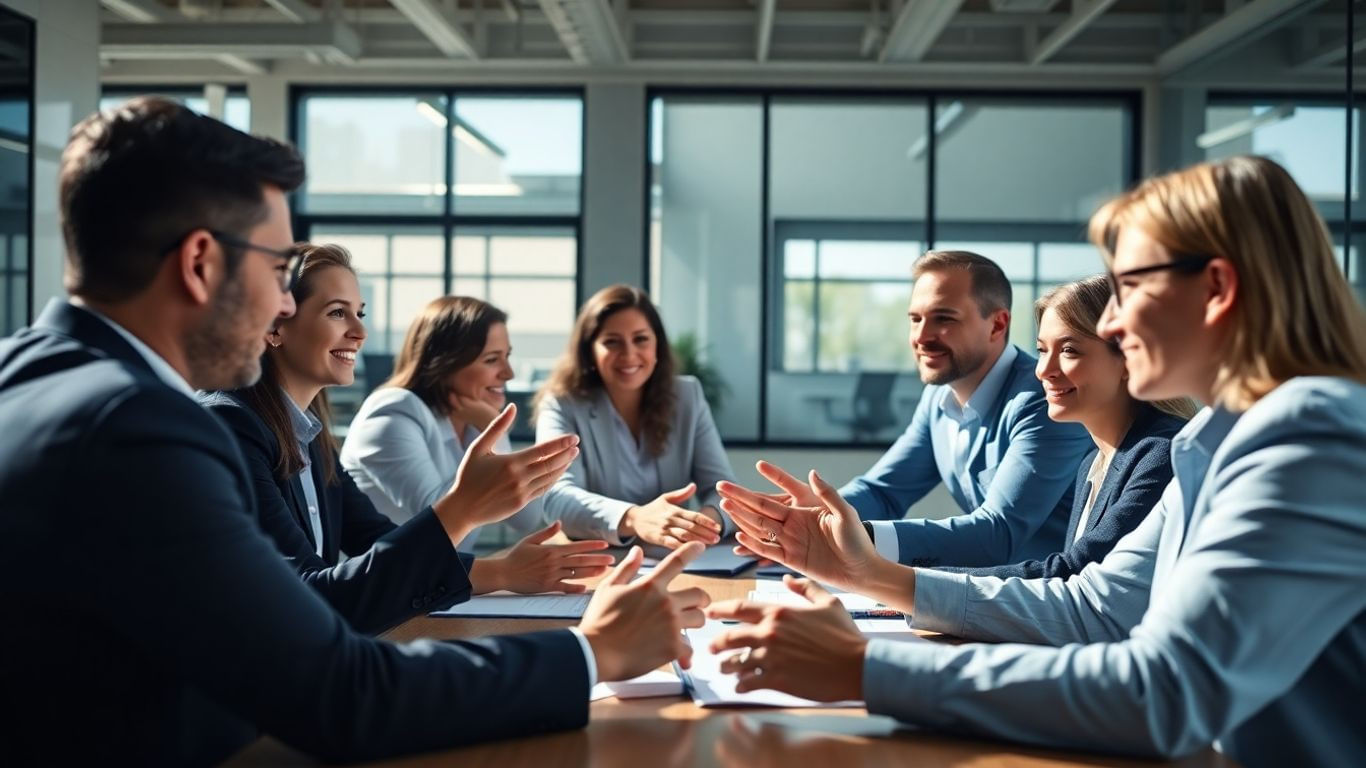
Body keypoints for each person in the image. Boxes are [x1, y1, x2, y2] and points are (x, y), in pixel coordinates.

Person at [0, 97, 708, 765]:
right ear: (199, 263)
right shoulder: (138, 431)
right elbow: (343, 695)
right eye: (279, 272)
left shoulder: (28, 372)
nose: (283, 302)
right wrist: (594, 654)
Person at [707, 155, 1366, 767]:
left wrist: (861, 669)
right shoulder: (1220, 439)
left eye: (1131, 285)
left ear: (1217, 288)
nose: (1112, 323)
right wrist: (872, 574)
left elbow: (1166, 692)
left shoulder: (1308, 440)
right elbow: (1097, 610)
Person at [204, 248, 613, 635]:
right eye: (337, 313)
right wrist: (465, 510)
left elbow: (376, 540)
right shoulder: (233, 426)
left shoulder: (308, 432)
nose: (360, 331)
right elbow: (311, 597)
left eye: (359, 313)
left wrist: (503, 572)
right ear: (275, 325)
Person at [736, 251, 1092, 568]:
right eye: (915, 318)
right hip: (992, 595)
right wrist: (823, 509)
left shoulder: (1044, 399)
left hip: (1050, 601)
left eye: (944, 319)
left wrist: (850, 536)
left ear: (997, 324)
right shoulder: (938, 398)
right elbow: (884, 491)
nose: (922, 336)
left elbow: (998, 533)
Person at [934, 275, 1192, 580]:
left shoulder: (1160, 456)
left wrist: (914, 585)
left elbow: (1076, 575)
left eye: (1069, 350)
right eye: (1042, 350)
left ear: (1128, 359)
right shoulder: (1092, 465)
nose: (1044, 370)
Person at [341, 296, 576, 555]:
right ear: (446, 362)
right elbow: (443, 530)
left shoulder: (469, 416)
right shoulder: (393, 413)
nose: (508, 373)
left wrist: (492, 431)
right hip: (384, 587)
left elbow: (526, 518)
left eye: (506, 357)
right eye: (491, 360)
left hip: (435, 583)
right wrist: (492, 428)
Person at [534, 284, 737, 549]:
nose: (629, 354)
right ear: (589, 352)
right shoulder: (563, 404)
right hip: (601, 561)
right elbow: (555, 497)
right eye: (612, 342)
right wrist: (635, 518)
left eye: (640, 339)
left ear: (657, 347)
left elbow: (725, 491)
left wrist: (705, 524)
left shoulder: (687, 396)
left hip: (676, 559)